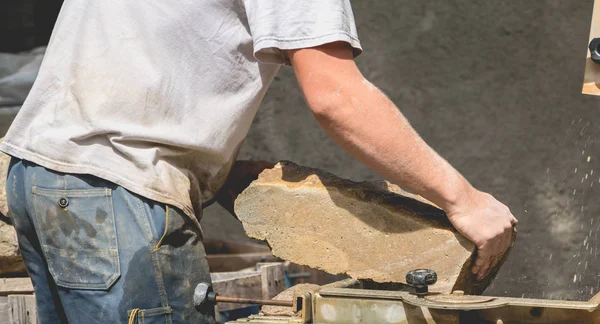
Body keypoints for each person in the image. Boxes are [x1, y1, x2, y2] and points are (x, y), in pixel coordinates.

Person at [1, 1, 518, 323]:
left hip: (42, 172)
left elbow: (147, 67)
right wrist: (462, 199)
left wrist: (221, 172)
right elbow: (337, 98)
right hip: (117, 189)